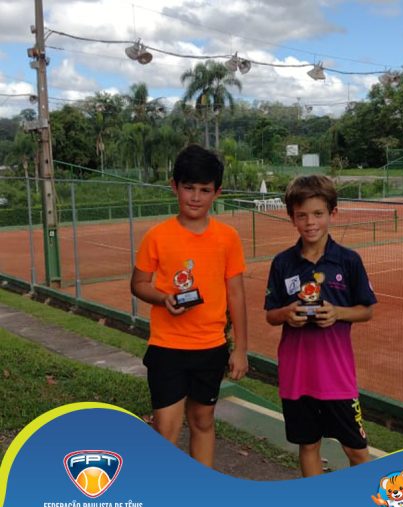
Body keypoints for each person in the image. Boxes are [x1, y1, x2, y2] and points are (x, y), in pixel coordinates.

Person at [131, 144, 248, 468]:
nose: (195, 197)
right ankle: (163, 492)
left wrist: (240, 349)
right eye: (188, 187)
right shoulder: (157, 236)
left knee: (202, 420)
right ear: (174, 186)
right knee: (165, 428)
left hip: (210, 348)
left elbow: (236, 295)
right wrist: (163, 298)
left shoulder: (228, 237)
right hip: (167, 347)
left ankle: (201, 491)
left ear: (217, 193)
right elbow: (138, 284)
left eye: (204, 190)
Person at [264, 175, 376, 477]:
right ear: (292, 218)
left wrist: (337, 313)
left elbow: (366, 310)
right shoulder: (282, 263)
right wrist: (287, 313)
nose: (310, 222)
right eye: (302, 215)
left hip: (336, 376)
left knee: (357, 451)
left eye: (318, 214)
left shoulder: (348, 261)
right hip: (297, 374)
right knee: (309, 445)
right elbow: (271, 314)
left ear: (332, 213)